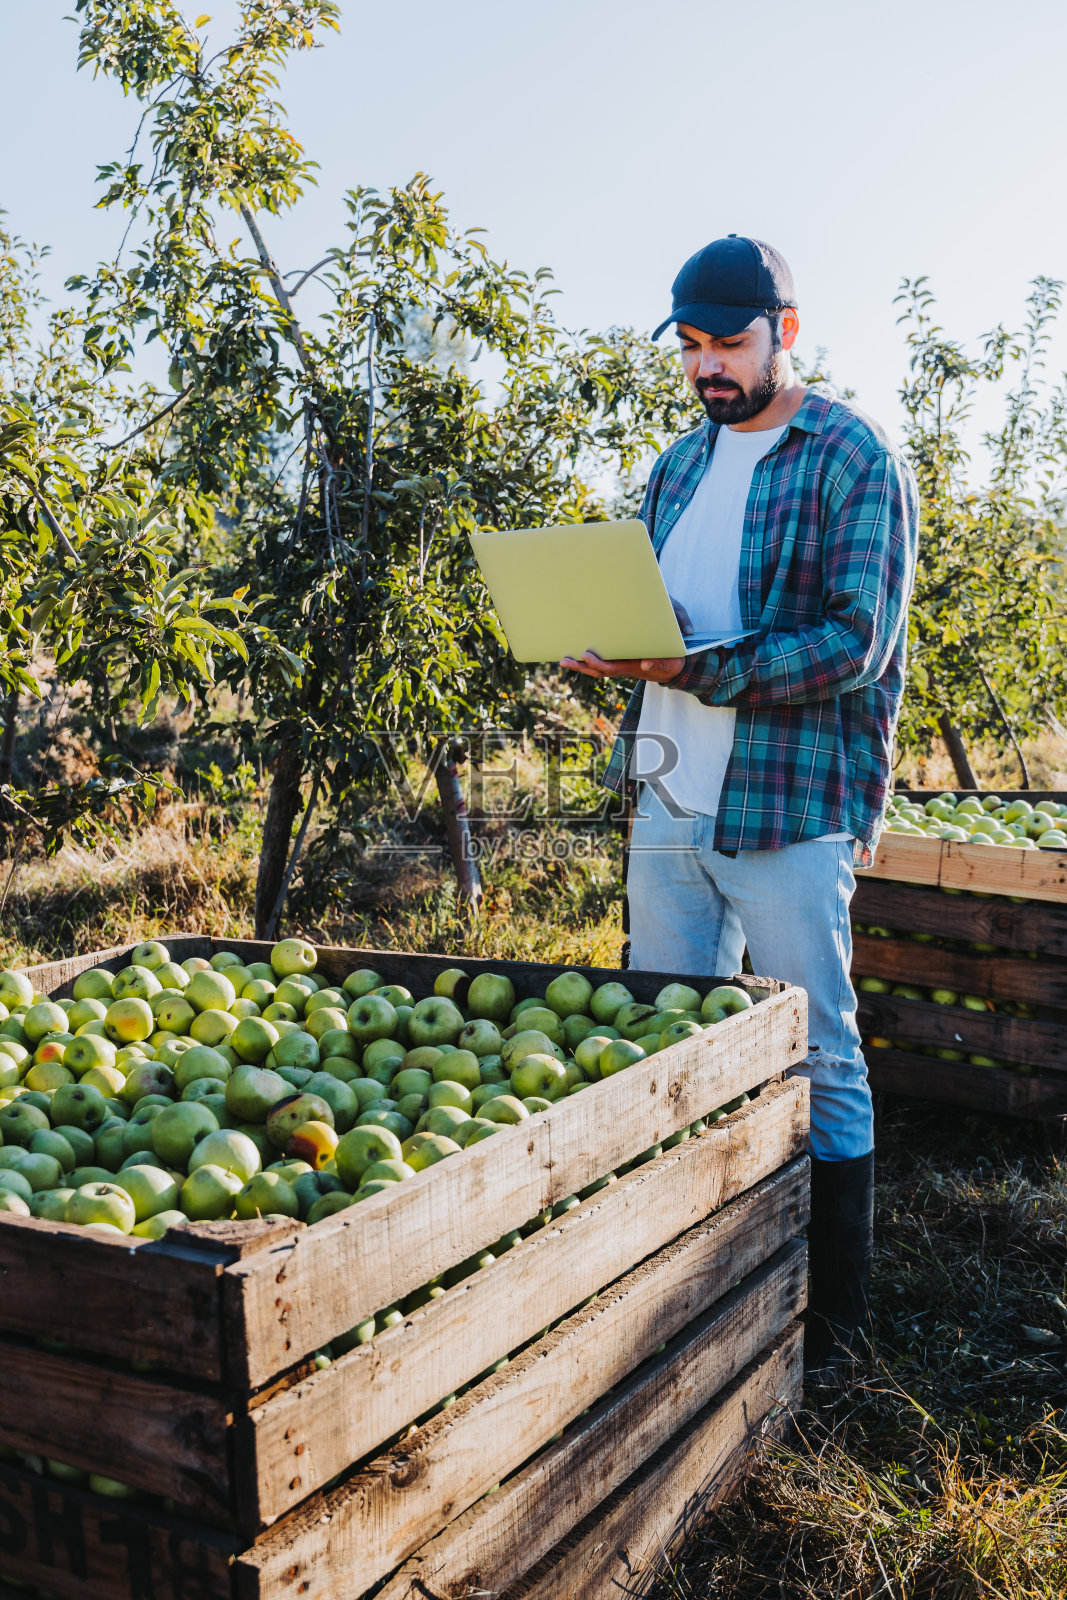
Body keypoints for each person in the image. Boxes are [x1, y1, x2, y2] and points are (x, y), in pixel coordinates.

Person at [562, 234, 918, 1377]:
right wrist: (612, 646)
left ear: (786, 332)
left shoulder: (851, 457)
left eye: (729, 343)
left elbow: (852, 645)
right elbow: (664, 617)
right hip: (669, 795)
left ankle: (832, 1332)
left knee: (818, 1048)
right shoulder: (675, 467)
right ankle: (702, 1297)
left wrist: (687, 669)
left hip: (784, 805)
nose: (708, 367)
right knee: (667, 1031)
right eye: (691, 347)